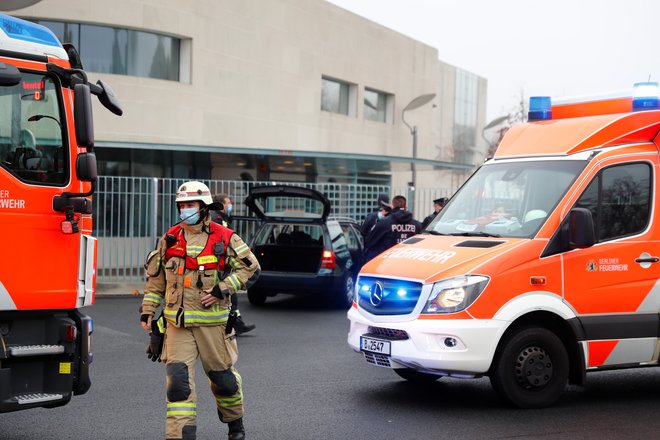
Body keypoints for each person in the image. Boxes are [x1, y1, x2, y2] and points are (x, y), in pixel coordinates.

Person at [140, 181, 260, 440]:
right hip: (178, 326)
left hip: (213, 326)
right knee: (178, 386)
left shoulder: (224, 236)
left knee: (224, 382)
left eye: (190, 204)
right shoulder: (170, 237)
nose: (185, 209)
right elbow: (156, 280)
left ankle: (235, 426)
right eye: (181, 205)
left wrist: (223, 289)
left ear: (204, 207)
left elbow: (251, 267)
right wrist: (148, 310)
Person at [211, 194, 256, 336]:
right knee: (229, 295)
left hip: (225, 265)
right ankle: (233, 325)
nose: (230, 205)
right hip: (221, 265)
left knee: (231, 295)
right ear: (221, 205)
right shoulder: (217, 220)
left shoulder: (221, 219)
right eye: (228, 203)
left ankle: (236, 324)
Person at [363, 195, 421, 262]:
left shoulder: (384, 223)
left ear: (392, 206)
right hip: (407, 261)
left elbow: (369, 241)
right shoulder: (417, 225)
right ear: (406, 207)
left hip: (385, 262)